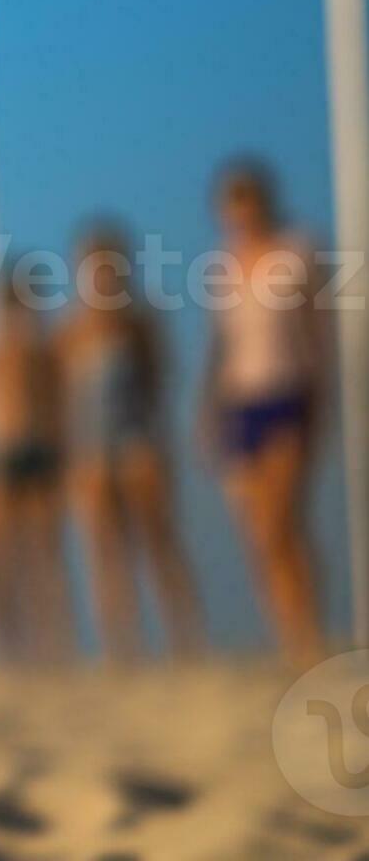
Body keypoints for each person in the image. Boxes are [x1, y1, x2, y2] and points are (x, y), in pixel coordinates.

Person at [198, 157, 330, 660]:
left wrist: (321, 403)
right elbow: (220, 345)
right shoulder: (222, 266)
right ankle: (287, 632)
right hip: (241, 402)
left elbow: (317, 335)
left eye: (247, 200)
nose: (241, 212)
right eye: (232, 204)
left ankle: (308, 630)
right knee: (259, 533)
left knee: (282, 521)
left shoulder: (298, 252)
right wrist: (208, 411)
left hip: (288, 394)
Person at [57, 216, 201, 662]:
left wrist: (158, 445)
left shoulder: (139, 323)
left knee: (158, 539)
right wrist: (73, 461)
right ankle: (122, 647)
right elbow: (63, 400)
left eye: (108, 265)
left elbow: (159, 383)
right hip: (90, 445)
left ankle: (186, 639)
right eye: (92, 265)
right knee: (104, 550)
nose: (101, 274)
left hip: (137, 437)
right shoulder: (71, 330)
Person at [0, 262, 73, 664]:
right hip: (2, 452)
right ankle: (9, 645)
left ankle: (53, 642)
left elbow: (57, 405)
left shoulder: (43, 349)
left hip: (37, 449)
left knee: (43, 552)